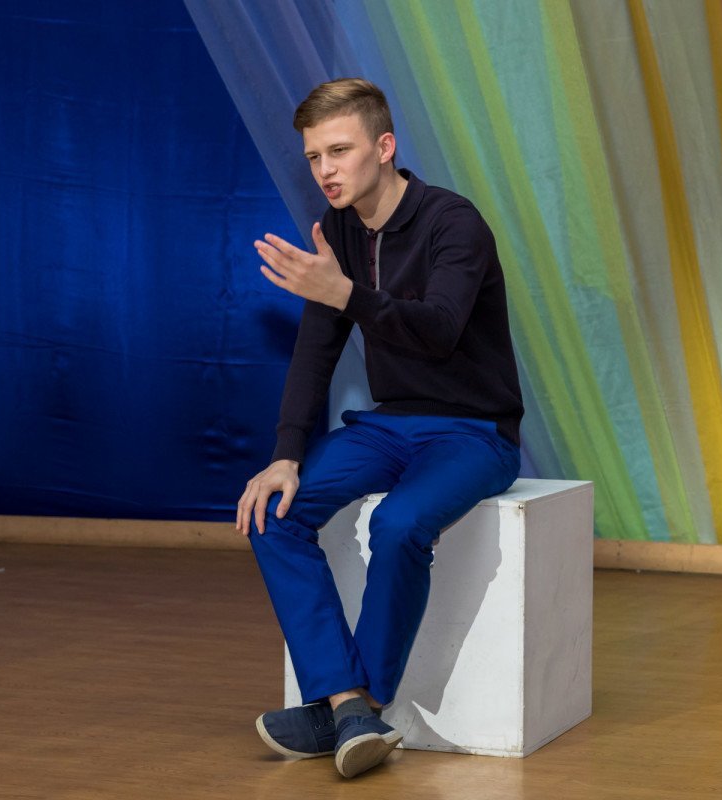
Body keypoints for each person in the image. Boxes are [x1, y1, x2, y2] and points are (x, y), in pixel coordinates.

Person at [236, 77, 523, 779]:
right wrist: (285, 454)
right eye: (313, 157)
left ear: (384, 146)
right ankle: (346, 705)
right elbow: (316, 350)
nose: (324, 170)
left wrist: (344, 292)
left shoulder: (454, 223)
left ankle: (363, 703)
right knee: (274, 513)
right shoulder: (337, 230)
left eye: (339, 151)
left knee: (399, 524)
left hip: (476, 431)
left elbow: (439, 330)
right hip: (387, 426)